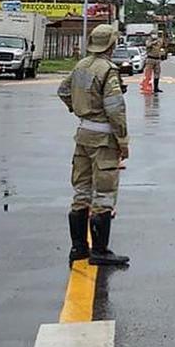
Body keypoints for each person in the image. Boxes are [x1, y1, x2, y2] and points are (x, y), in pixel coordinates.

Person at [57, 23, 130, 267]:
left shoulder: (82, 65)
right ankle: (100, 250)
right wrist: (123, 140)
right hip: (103, 139)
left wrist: (78, 107)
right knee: (104, 193)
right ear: (111, 44)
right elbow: (115, 109)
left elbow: (63, 90)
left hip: (83, 134)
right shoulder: (108, 70)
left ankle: (78, 248)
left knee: (81, 192)